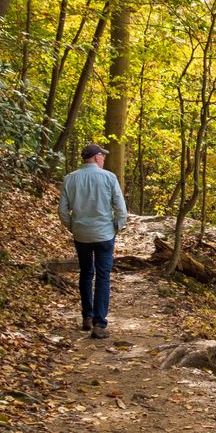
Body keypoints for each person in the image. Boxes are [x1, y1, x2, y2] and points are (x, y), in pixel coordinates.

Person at [58, 143, 127, 339]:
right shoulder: (109, 178)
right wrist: (117, 226)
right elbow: (121, 208)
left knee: (86, 272)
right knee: (103, 276)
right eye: (102, 156)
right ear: (97, 157)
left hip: (81, 234)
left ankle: (86, 316)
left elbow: (63, 210)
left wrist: (72, 226)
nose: (104, 160)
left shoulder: (70, 179)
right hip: (104, 234)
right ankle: (100, 324)